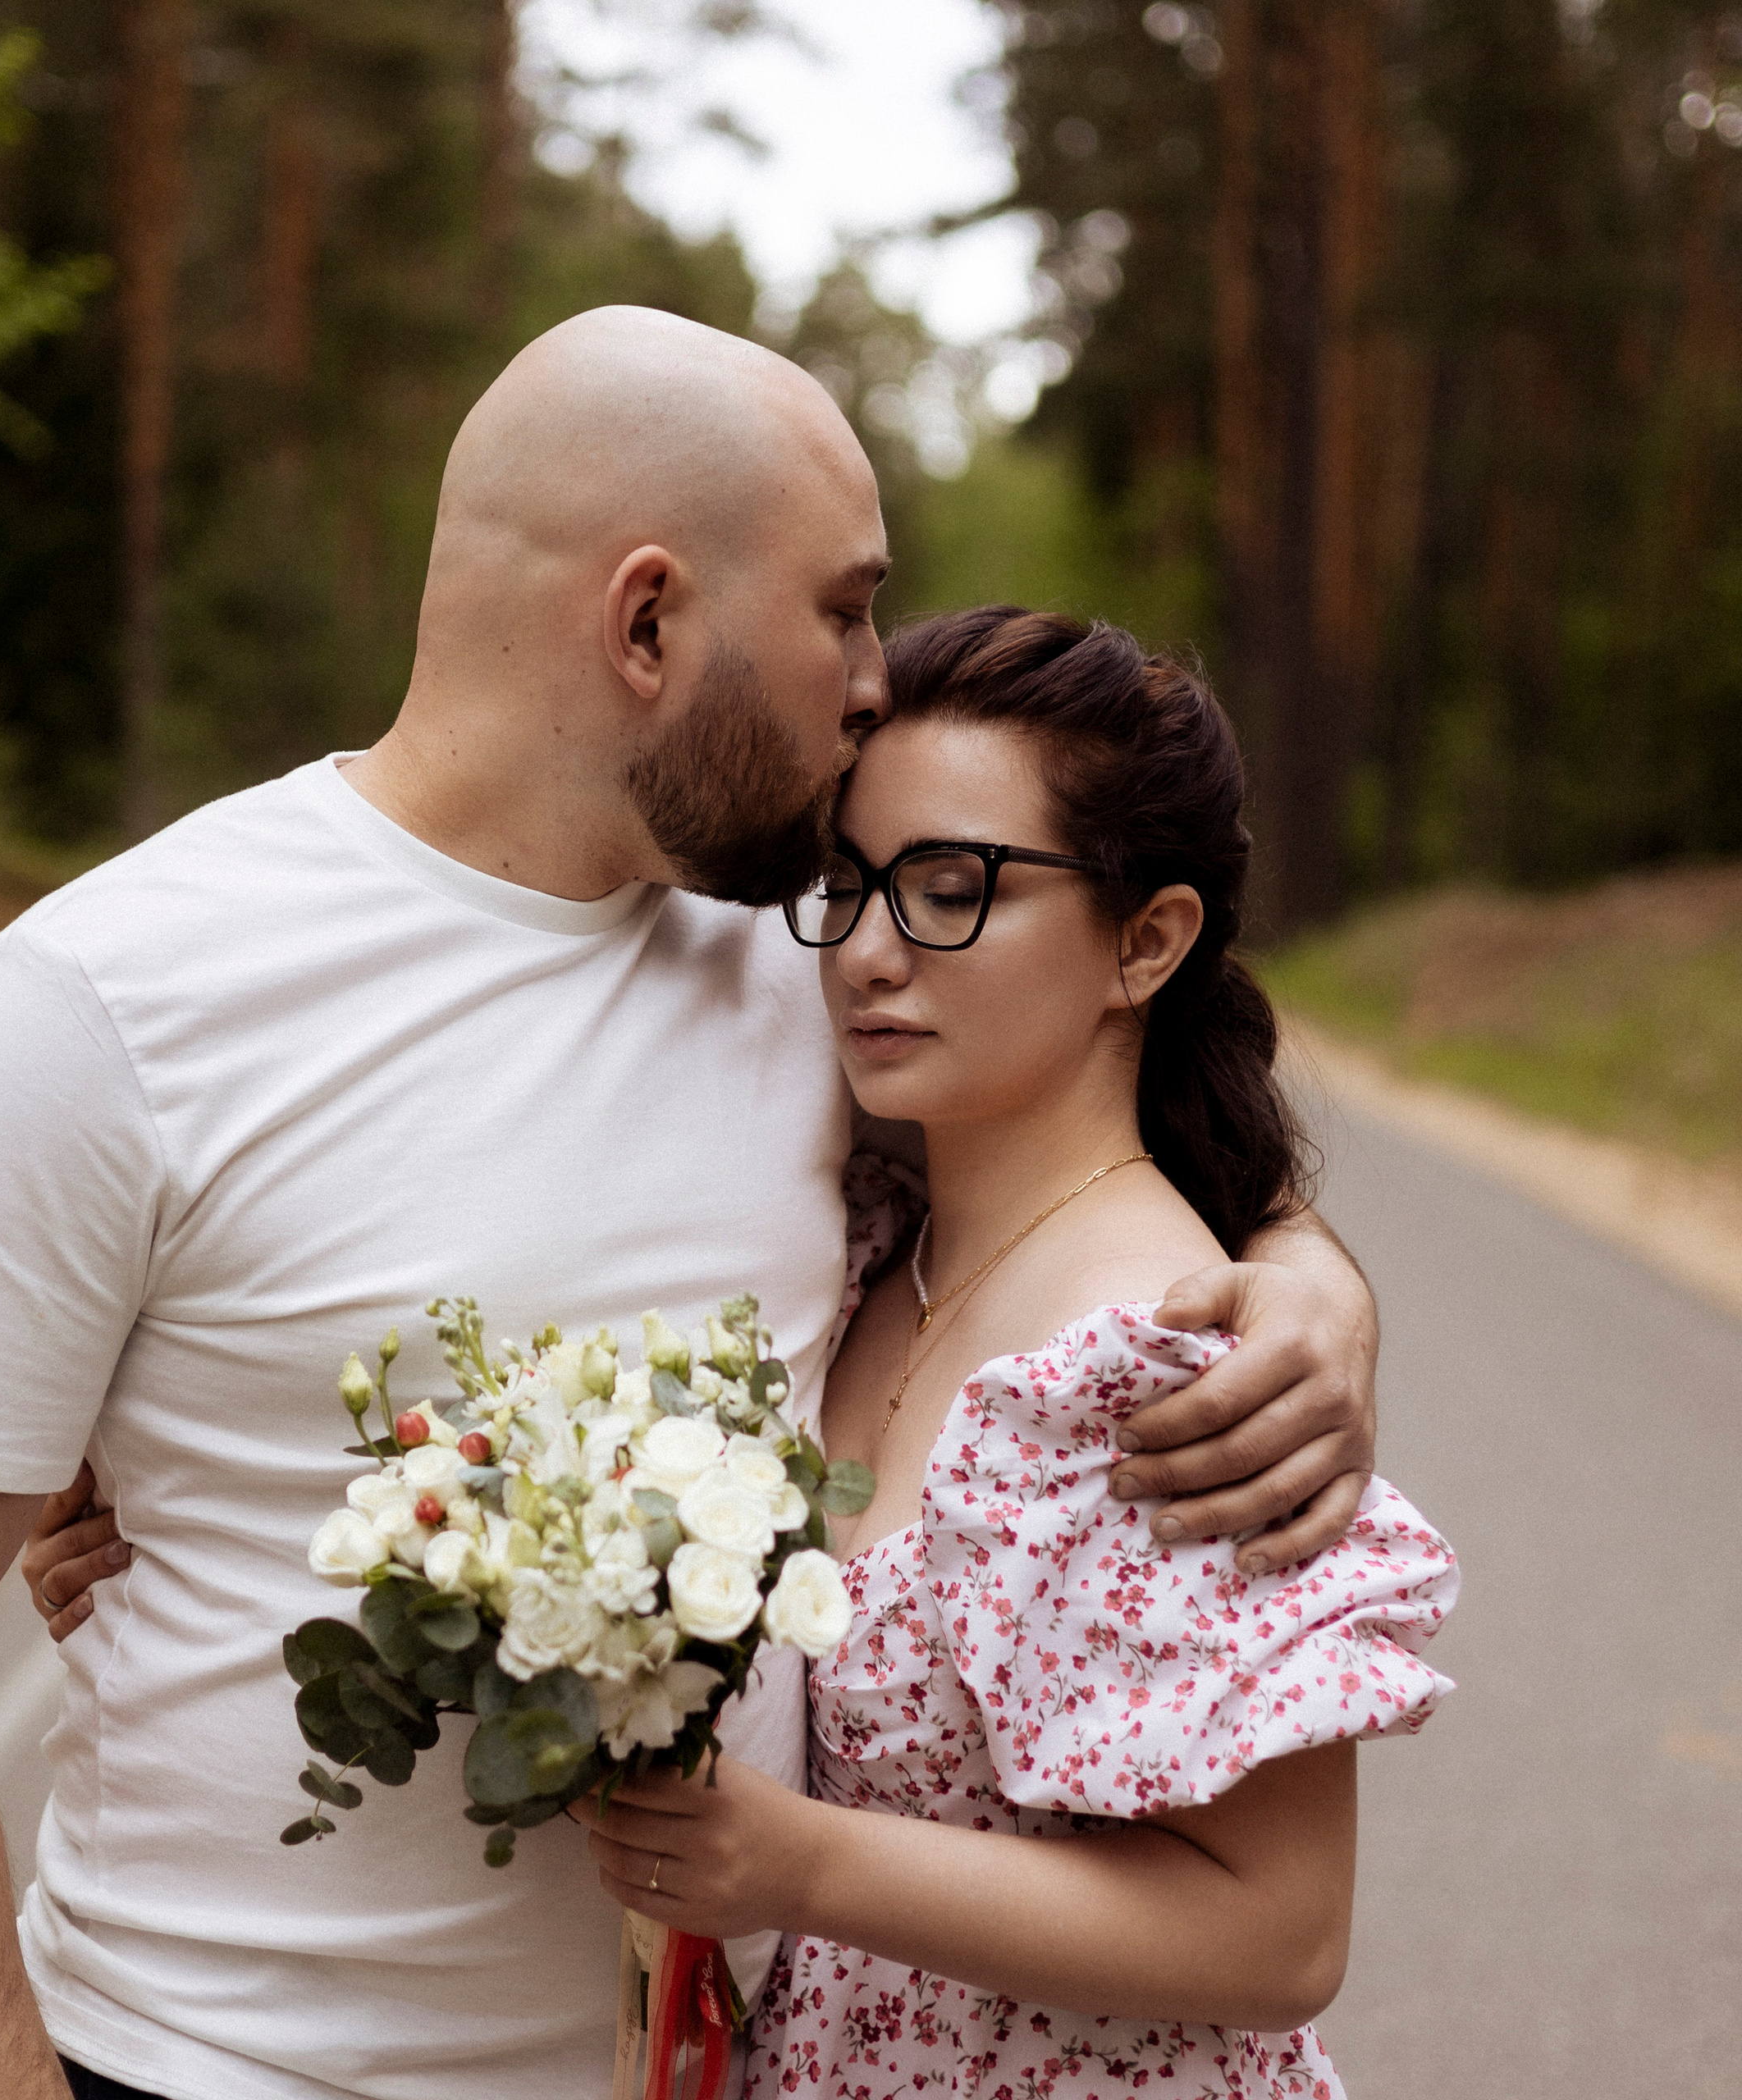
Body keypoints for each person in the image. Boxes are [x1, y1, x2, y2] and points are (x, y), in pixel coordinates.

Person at [0, 309, 1379, 2100]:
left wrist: (1300, 1274)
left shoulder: (806, 968)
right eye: (841, 607)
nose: (871, 680)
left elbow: (1077, 1159)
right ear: (647, 619)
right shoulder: (112, 1001)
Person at [567, 608, 1457, 2100]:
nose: (864, 953)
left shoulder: (1170, 1373)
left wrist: (797, 1863)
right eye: (846, 886)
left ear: (1148, 941)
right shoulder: (861, 1238)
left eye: (951, 888)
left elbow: (1283, 1932)